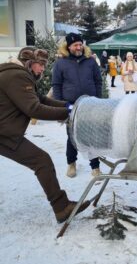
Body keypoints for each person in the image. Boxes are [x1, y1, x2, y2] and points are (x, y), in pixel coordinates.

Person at [0, 47, 90, 223]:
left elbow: (40, 99)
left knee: (41, 161)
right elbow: (34, 109)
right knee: (42, 161)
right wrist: (68, 113)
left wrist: (69, 106)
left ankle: (61, 207)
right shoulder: (17, 76)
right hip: (4, 134)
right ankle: (61, 208)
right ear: (29, 63)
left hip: (5, 131)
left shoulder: (14, 74)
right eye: (40, 65)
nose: (42, 69)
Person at [52, 33, 103, 178]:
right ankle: (71, 164)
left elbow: (98, 81)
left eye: (81, 44)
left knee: (91, 135)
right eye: (75, 45)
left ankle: (95, 167)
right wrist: (60, 105)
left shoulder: (90, 61)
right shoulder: (61, 63)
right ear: (68, 46)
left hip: (90, 104)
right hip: (71, 105)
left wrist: (98, 100)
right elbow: (56, 85)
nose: (79, 47)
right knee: (72, 136)